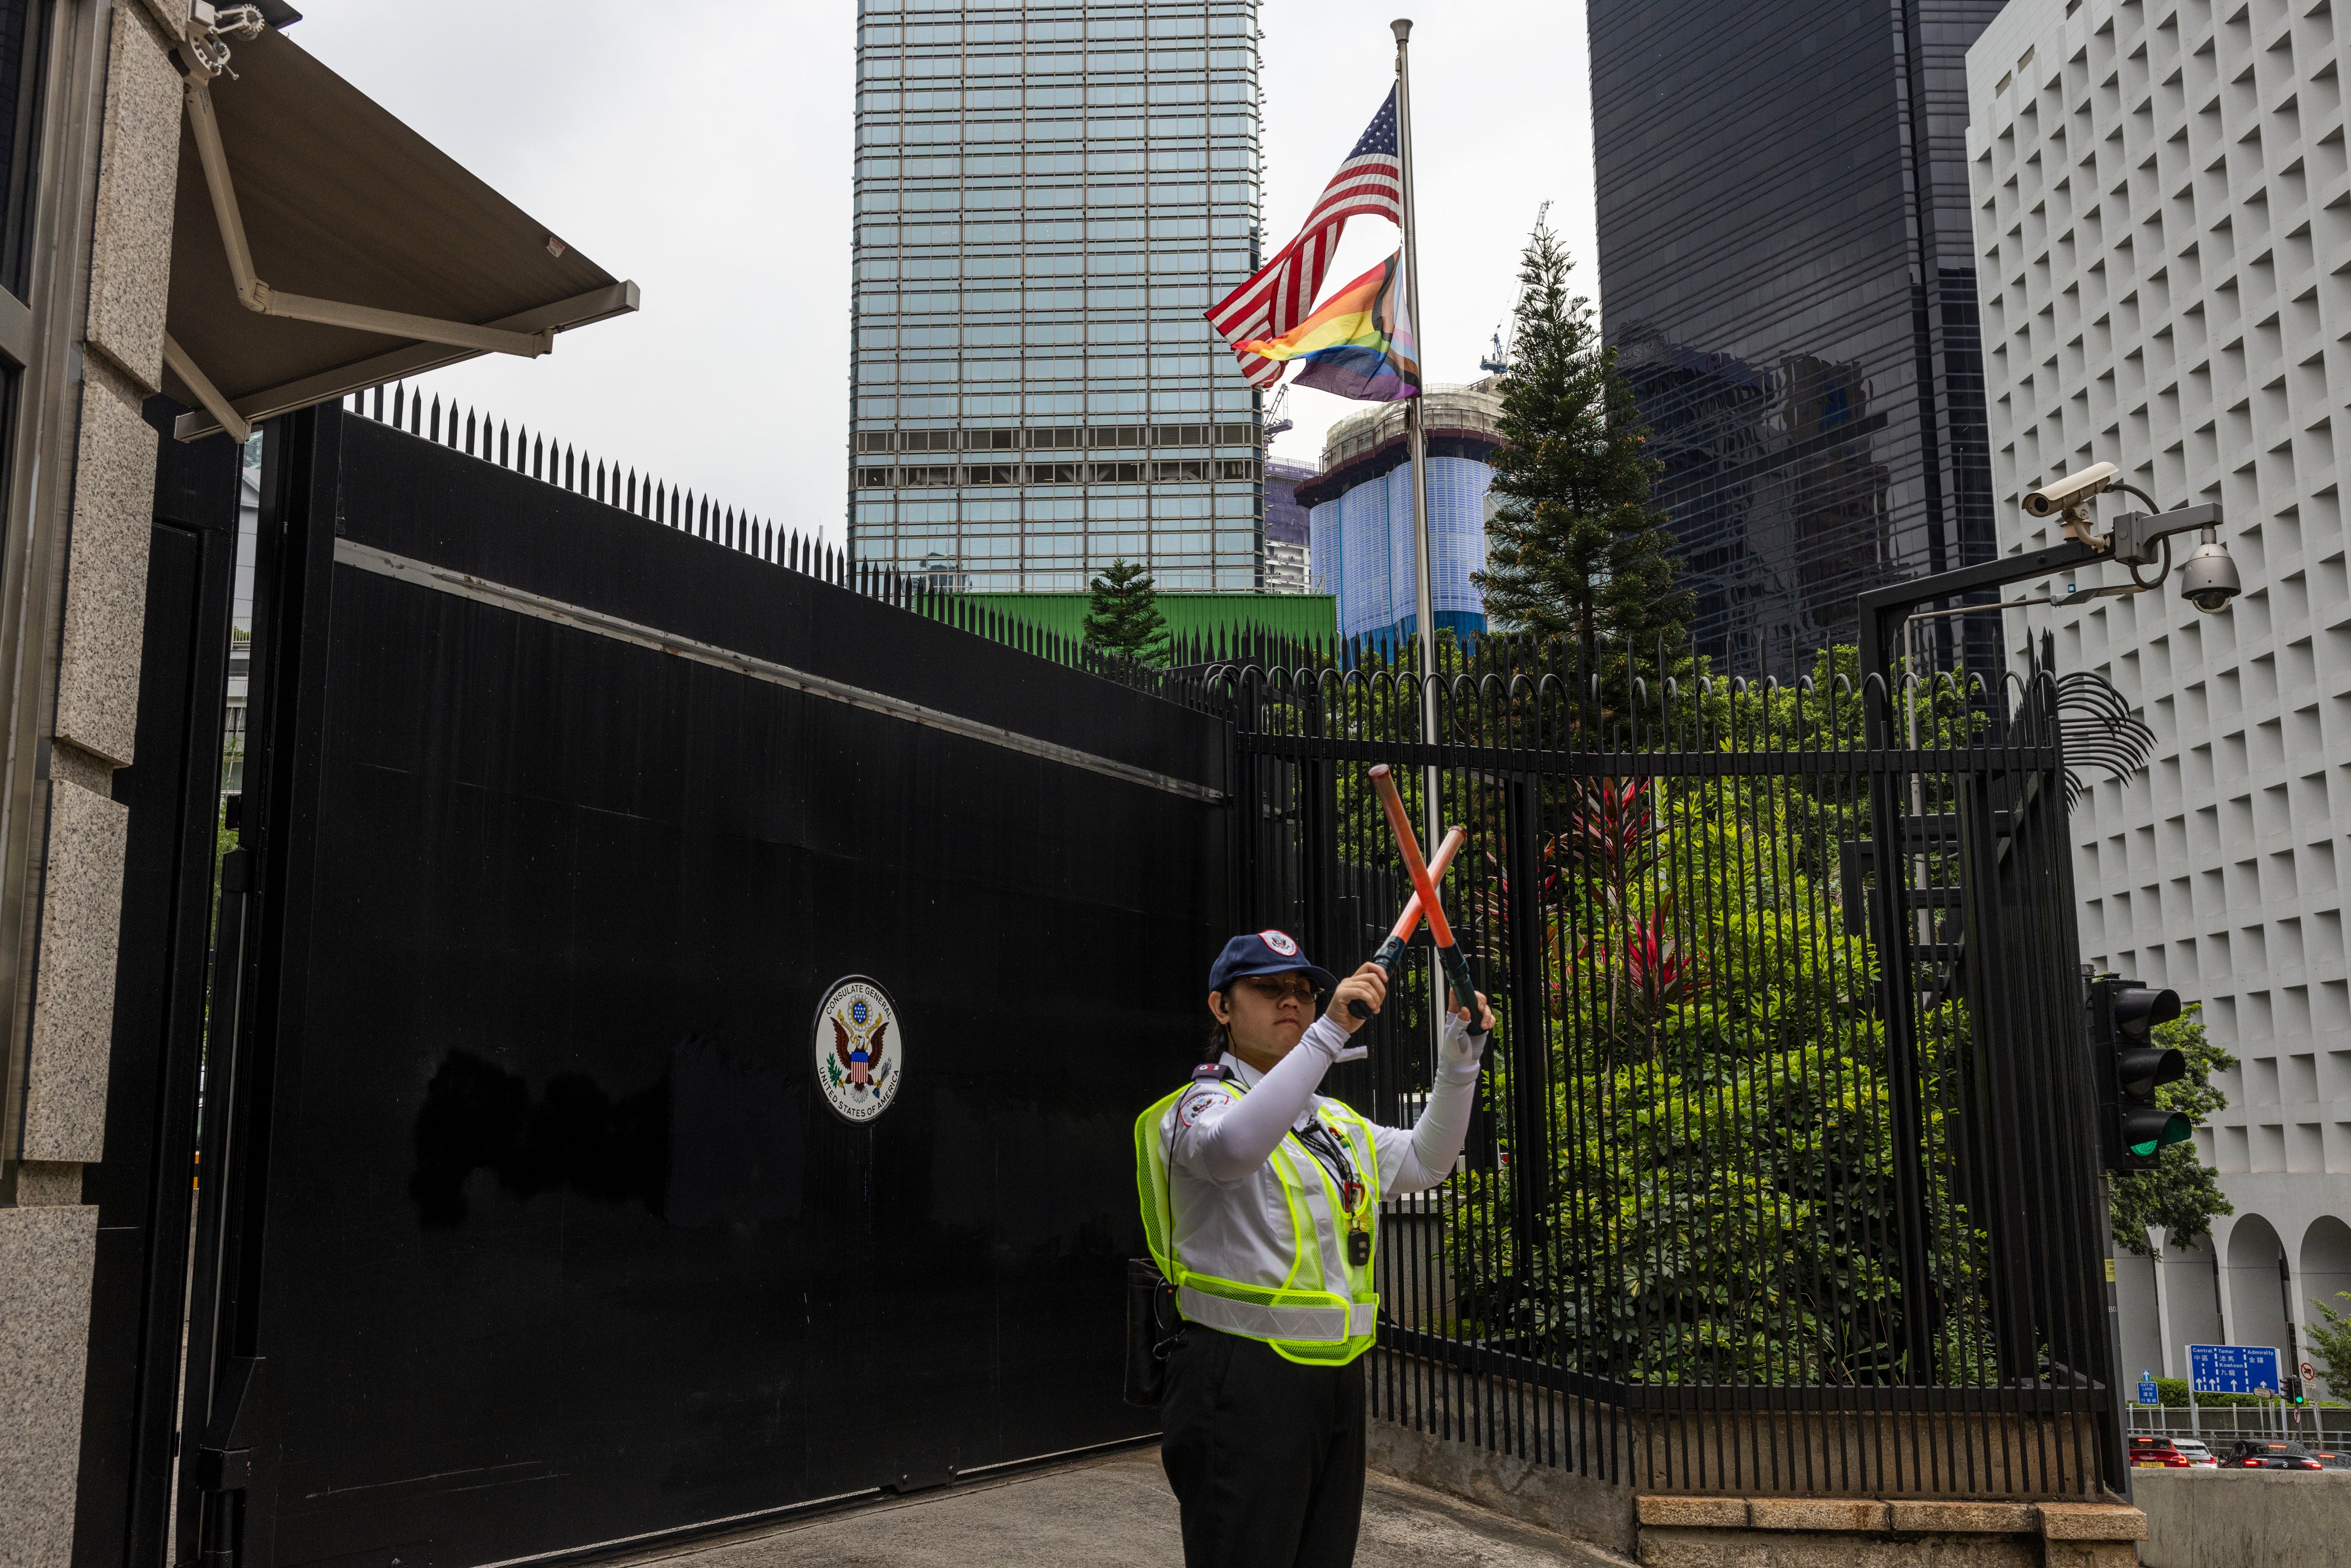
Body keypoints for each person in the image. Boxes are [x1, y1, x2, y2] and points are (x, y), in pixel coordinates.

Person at [1134, 928, 1492, 1568]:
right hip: (1239, 1377)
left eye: (1303, 989)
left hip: (1334, 1378)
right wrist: (1328, 1032)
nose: (1291, 1000)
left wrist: (1459, 1062)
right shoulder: (1199, 1106)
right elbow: (1234, 1149)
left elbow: (1425, 1161)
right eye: (1268, 988)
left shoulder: (1331, 1119)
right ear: (1222, 1006)